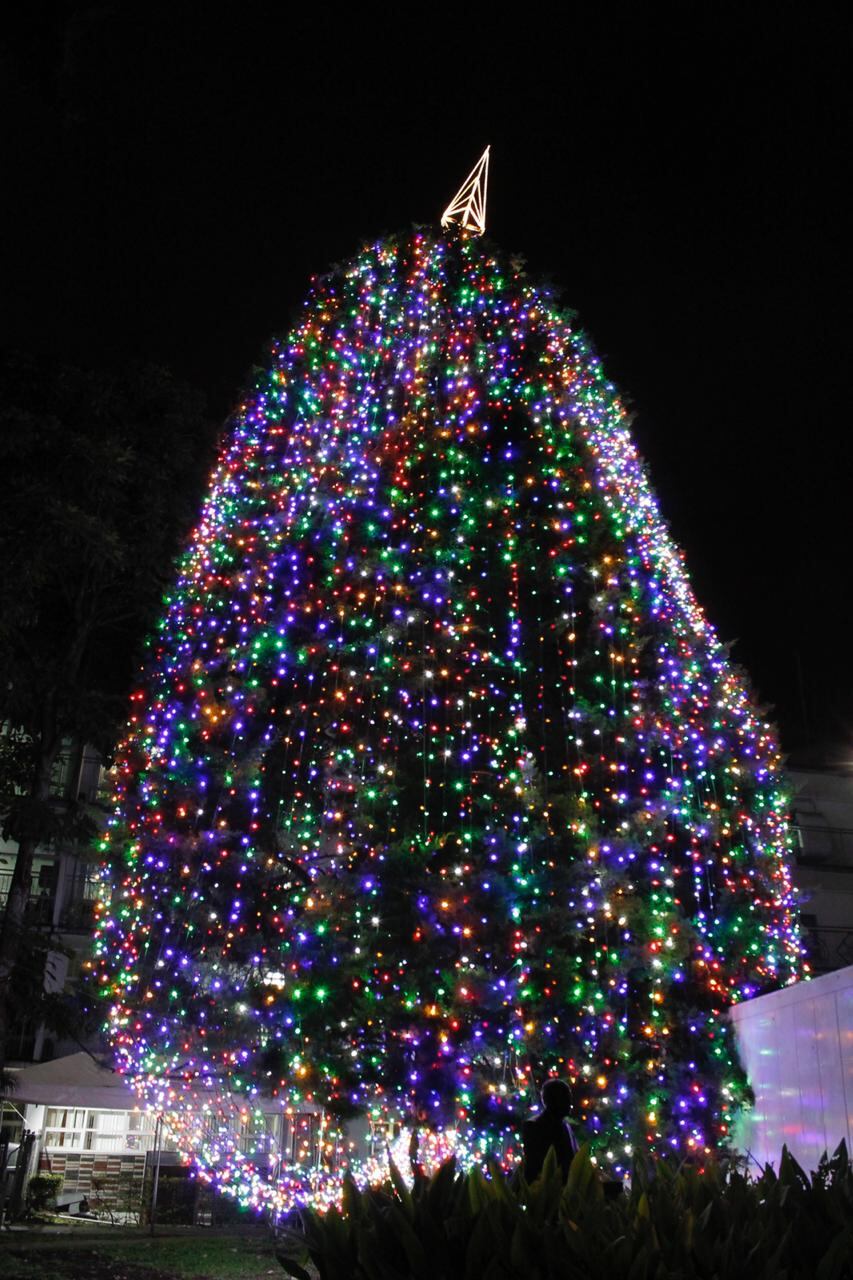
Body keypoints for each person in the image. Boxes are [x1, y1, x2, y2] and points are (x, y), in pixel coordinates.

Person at [522, 1078, 579, 1182]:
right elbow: (535, 1166)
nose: (570, 1103)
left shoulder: (566, 1126)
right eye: (566, 1098)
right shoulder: (534, 1127)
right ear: (553, 1100)